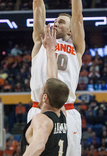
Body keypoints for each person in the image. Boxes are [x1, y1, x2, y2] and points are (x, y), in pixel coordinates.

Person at [16, 0, 84, 156]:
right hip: (39, 108)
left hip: (68, 111)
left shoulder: (76, 47)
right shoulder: (40, 41)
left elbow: (78, 16)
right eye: (55, 20)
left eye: (62, 22)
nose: (55, 23)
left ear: (70, 31)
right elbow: (37, 3)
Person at [21, 25, 69, 156]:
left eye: (42, 90)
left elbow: (39, 146)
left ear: (44, 97)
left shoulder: (42, 119)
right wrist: (50, 50)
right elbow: (53, 80)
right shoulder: (62, 115)